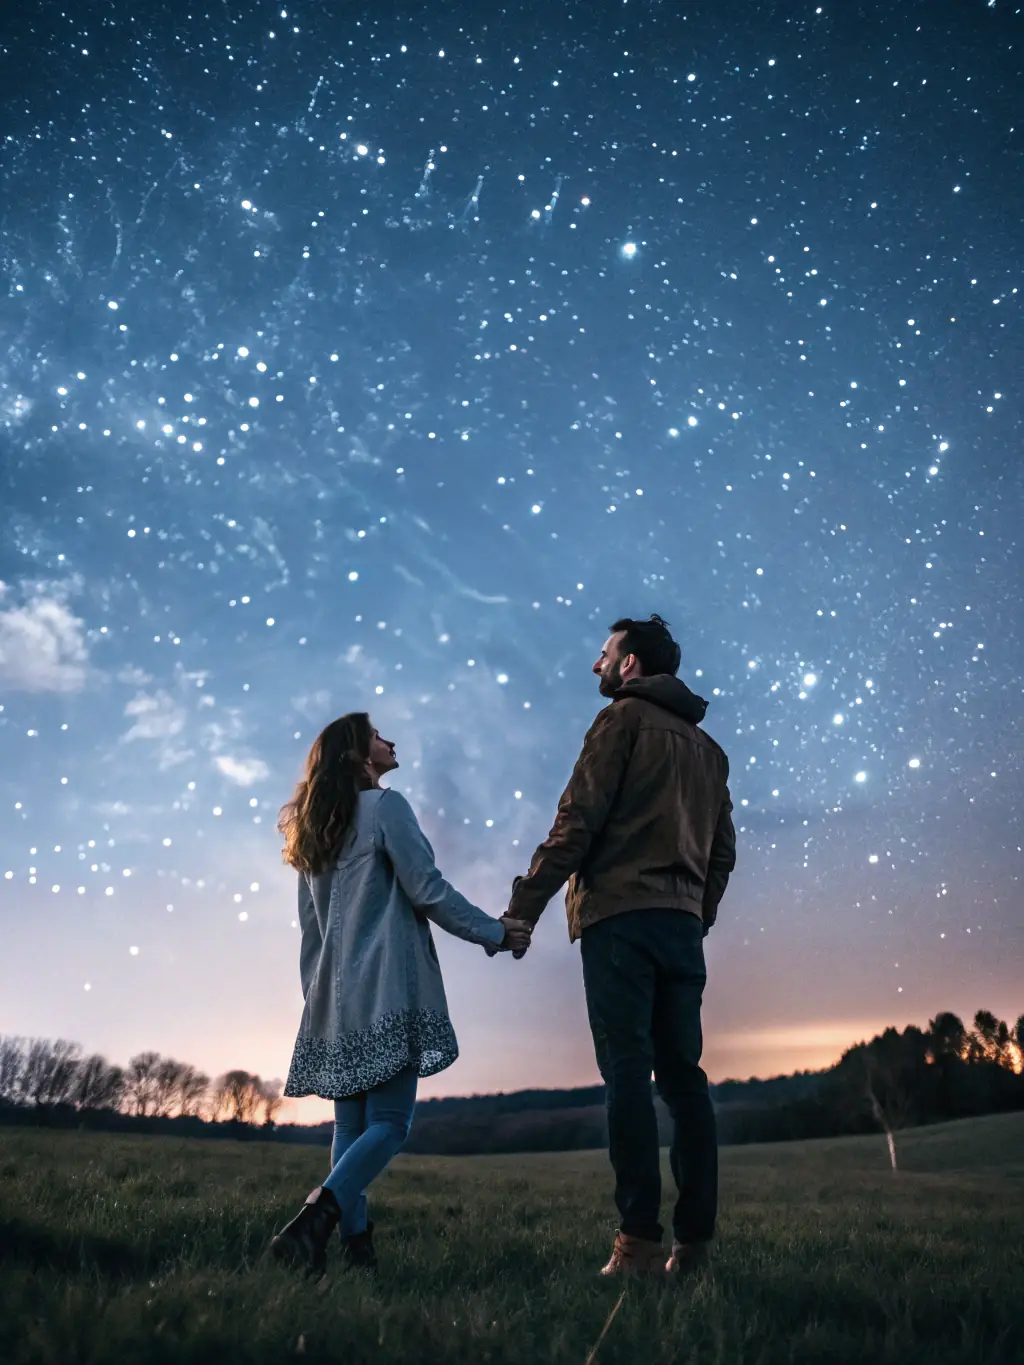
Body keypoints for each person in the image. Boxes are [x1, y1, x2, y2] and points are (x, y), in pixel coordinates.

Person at [506, 614, 735, 1279]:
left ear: (630, 664)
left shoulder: (620, 722)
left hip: (620, 919)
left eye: (604, 653)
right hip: (680, 927)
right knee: (685, 1080)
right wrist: (696, 912)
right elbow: (723, 852)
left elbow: (576, 820)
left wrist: (525, 904)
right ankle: (692, 1247)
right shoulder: (709, 750)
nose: (596, 665)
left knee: (629, 1075)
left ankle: (635, 1243)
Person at [270, 712, 532, 1278]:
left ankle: (356, 1250)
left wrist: (317, 1000)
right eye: (377, 735)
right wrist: (494, 931)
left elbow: (310, 932)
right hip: (387, 984)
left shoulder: (316, 831)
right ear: (358, 755)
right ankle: (315, 1218)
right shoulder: (387, 807)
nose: (389, 741)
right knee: (390, 1123)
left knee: (350, 1128)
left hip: (333, 997)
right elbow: (429, 889)